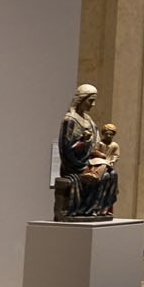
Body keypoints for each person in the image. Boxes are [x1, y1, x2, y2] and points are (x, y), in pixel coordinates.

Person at [52, 84, 118, 221]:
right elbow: (65, 149)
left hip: (90, 160)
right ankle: (87, 209)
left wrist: (99, 154)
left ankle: (100, 209)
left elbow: (96, 143)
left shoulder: (89, 120)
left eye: (94, 101)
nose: (93, 105)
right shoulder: (70, 120)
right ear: (81, 99)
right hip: (74, 165)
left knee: (112, 174)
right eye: (90, 101)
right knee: (104, 176)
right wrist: (83, 142)